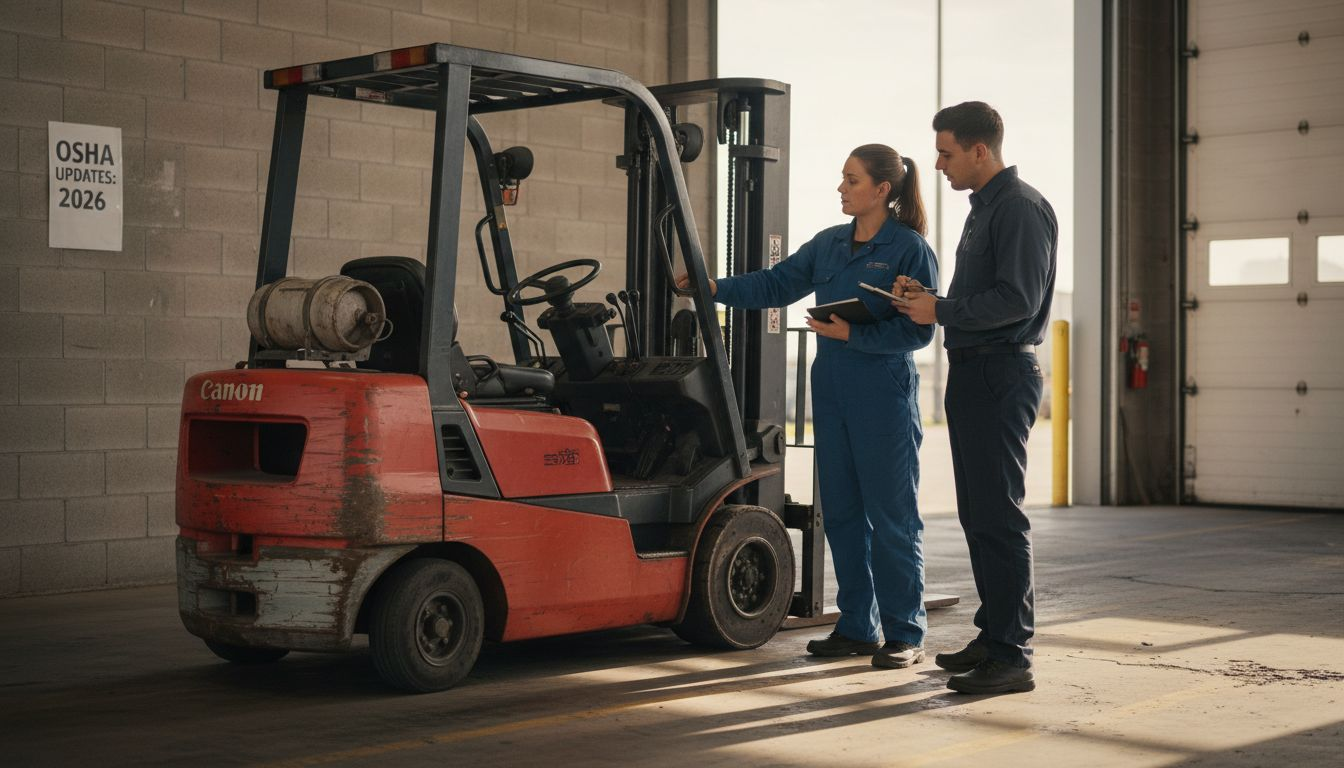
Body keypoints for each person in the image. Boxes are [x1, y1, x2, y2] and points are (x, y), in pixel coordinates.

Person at [678, 145, 938, 669]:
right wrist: (714, 288)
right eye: (843, 179)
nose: (841, 189)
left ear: (883, 191)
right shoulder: (829, 244)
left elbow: (919, 329)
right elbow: (777, 284)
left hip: (882, 393)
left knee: (892, 518)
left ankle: (905, 632)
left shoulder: (908, 248)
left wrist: (852, 335)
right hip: (833, 390)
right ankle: (858, 627)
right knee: (841, 514)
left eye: (852, 180)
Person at [894, 101, 1057, 694]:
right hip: (973, 370)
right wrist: (930, 299)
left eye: (946, 152)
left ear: (980, 150)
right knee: (979, 514)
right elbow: (984, 296)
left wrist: (941, 309)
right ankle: (994, 635)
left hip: (1000, 372)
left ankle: (1012, 657)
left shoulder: (1019, 209)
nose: (937, 164)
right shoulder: (984, 210)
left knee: (999, 515)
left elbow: (1016, 298)